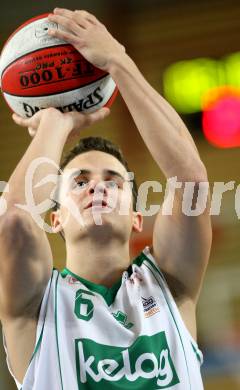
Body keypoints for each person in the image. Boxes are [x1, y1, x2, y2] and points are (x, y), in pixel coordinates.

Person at [0, 7, 212, 390]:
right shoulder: (35, 306)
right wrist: (55, 122)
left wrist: (117, 60)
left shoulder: (171, 287)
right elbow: (14, 219)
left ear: (135, 216)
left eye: (114, 181)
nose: (98, 186)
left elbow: (191, 180)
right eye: (79, 181)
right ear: (55, 218)